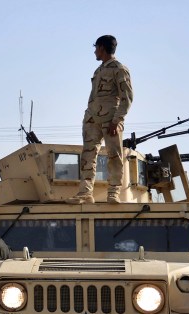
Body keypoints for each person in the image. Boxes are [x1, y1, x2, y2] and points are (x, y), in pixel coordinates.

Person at [68, 35, 133, 204]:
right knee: (88, 156)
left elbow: (127, 97)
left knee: (114, 156)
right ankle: (85, 193)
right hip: (92, 119)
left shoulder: (119, 69)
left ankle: (113, 193)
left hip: (110, 119)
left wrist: (117, 120)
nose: (95, 51)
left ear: (102, 48)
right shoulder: (98, 70)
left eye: (96, 47)